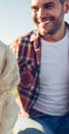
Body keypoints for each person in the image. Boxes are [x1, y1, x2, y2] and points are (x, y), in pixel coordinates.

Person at [10, 0, 69, 133]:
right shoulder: (20, 45)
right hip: (34, 117)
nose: (40, 15)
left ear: (66, 7)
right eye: (35, 8)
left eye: (48, 6)